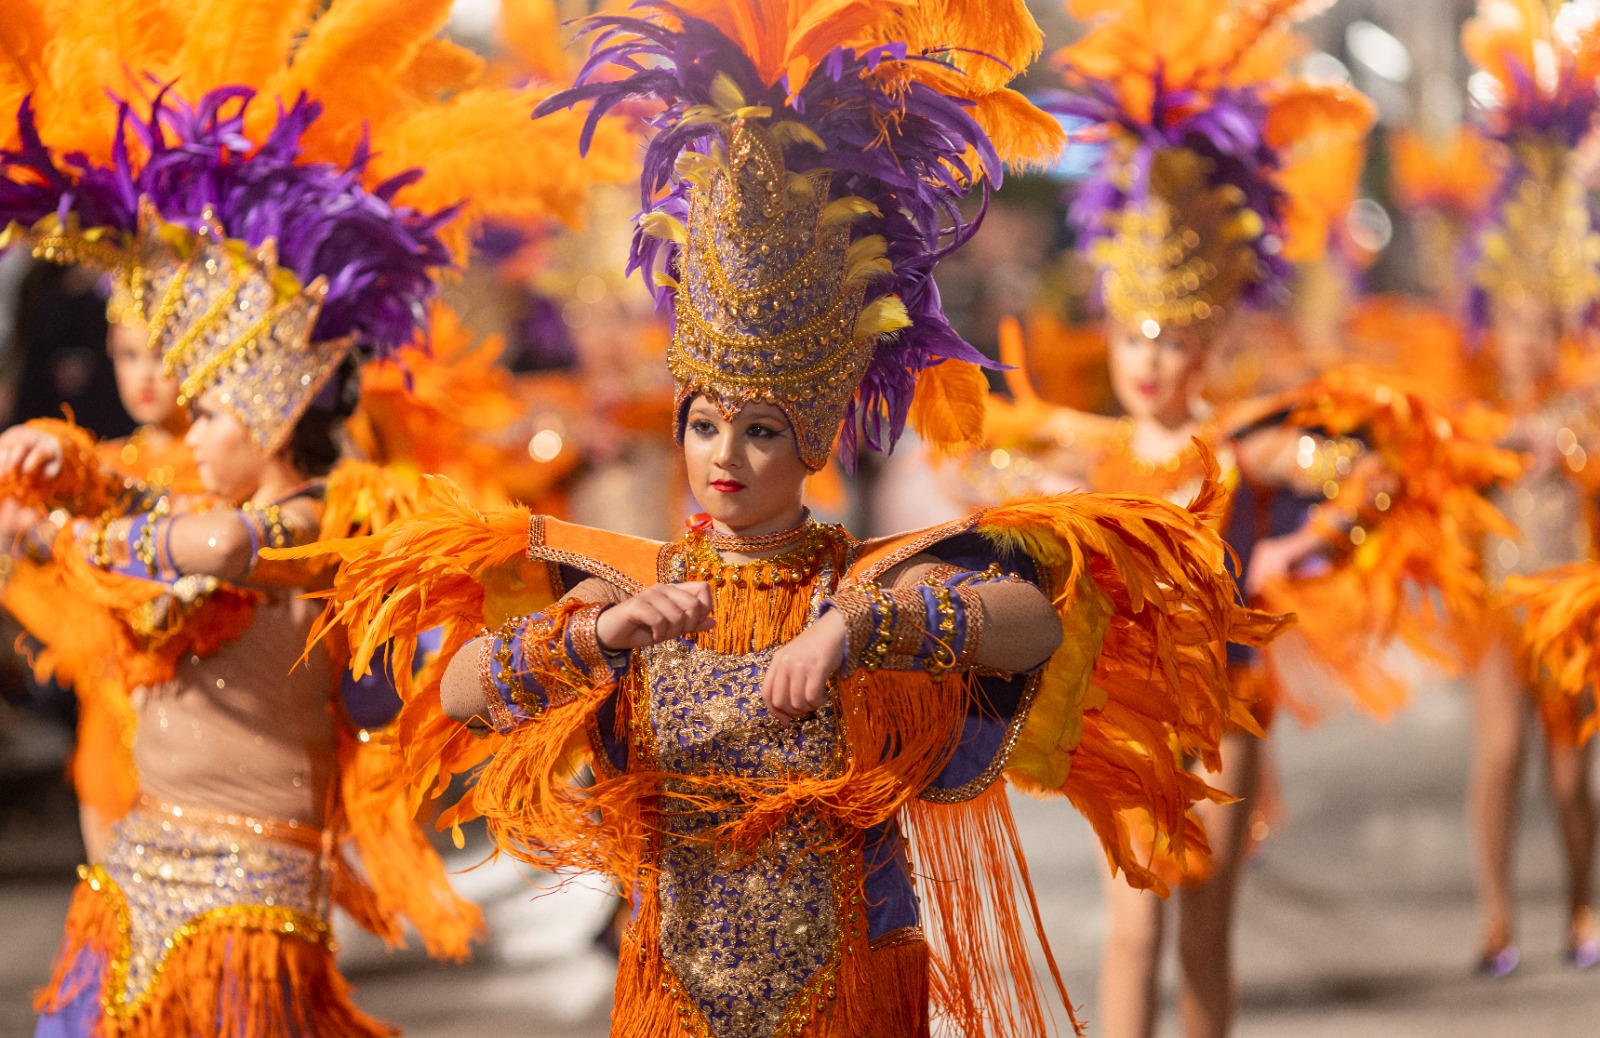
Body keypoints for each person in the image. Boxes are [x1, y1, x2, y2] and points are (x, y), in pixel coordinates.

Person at [277, 2, 1283, 1033]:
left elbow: (1032, 619)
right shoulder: (629, 578)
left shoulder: (857, 581)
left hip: (850, 982)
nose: (724, 456)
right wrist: (600, 635)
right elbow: (458, 691)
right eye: (704, 425)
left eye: (758, 431)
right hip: (676, 988)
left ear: (810, 442)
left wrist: (860, 629)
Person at [0, 0, 637, 1030]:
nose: (187, 422)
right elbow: (141, 501)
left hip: (249, 901)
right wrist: (56, 465)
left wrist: (83, 534)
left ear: (272, 407)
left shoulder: (328, 521)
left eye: (209, 406)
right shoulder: (189, 489)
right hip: (131, 875)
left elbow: (220, 548)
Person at [955, 5, 1516, 1035]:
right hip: (1125, 710)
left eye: (1173, 341)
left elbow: (1372, 476)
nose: (1152, 360)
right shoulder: (1088, 443)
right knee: (1131, 932)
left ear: (1205, 347)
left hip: (1223, 702)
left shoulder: (1241, 442)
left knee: (1205, 929)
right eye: (1136, 337)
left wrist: (1302, 551)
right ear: (1113, 338)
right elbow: (990, 484)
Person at [1455, 0, 1600, 976]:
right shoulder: (1468, 413)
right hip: (1497, 601)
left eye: (1539, 319)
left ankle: (1583, 908)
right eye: (1512, 318)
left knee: (1567, 767)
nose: (1526, 336)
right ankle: (1496, 916)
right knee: (1499, 757)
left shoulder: (1584, 397)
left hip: (1571, 599)